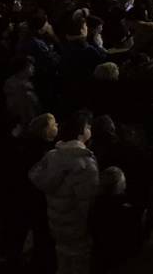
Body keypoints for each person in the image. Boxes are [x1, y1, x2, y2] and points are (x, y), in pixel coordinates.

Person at [30, 111, 99, 274]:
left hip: (57, 225)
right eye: (88, 126)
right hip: (77, 230)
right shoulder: (84, 164)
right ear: (81, 130)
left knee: (63, 264)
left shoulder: (53, 156)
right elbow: (87, 204)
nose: (90, 129)